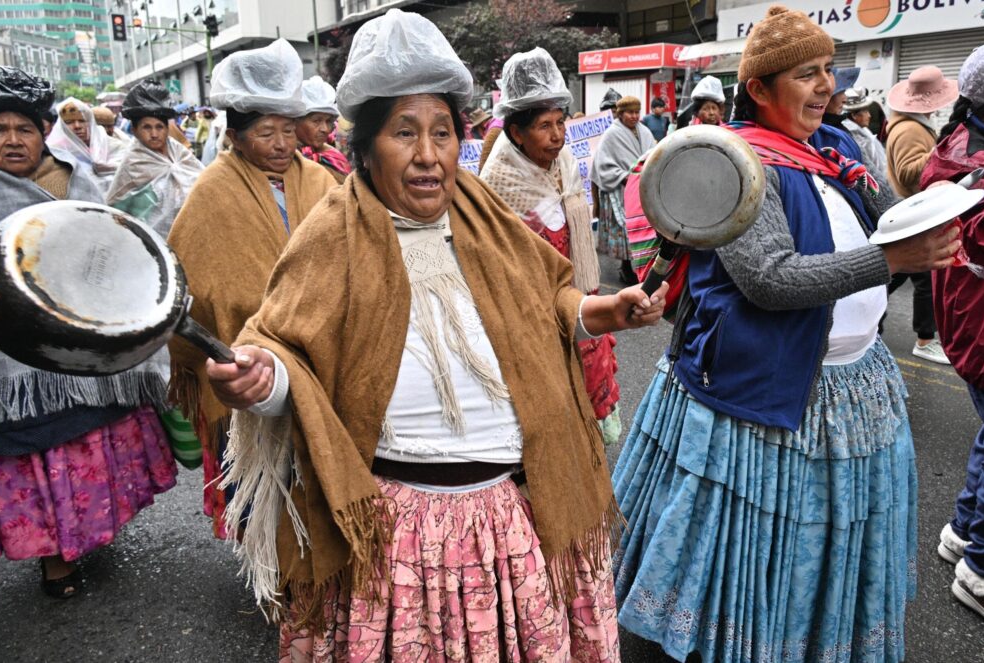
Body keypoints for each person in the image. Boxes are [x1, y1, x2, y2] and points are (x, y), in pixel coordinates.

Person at [207, 12, 669, 661]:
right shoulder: (332, 235)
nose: (428, 154)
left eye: (443, 132)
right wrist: (263, 379)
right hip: (397, 534)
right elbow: (285, 349)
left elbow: (547, 300)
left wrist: (602, 311)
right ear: (364, 148)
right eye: (404, 133)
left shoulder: (484, 218)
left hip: (509, 517)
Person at [612, 6, 959, 661]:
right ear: (759, 89)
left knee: (822, 553)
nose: (827, 84)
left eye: (829, 69)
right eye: (807, 73)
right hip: (761, 401)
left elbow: (889, 225)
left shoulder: (836, 150)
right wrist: (893, 261)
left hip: (847, 392)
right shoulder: (735, 163)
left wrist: (936, 214)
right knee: (746, 561)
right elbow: (769, 278)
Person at [0, 66, 176, 599]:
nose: (13, 140)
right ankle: (54, 557)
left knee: (86, 441)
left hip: (81, 338)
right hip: (9, 360)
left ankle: (88, 531)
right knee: (32, 454)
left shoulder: (71, 177)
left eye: (24, 129)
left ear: (41, 133)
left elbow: (106, 243)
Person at [166, 39, 338, 541]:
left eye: (289, 130)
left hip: (323, 355)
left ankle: (321, 557)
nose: (282, 144)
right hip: (244, 360)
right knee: (265, 482)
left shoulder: (321, 181)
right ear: (236, 135)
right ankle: (274, 566)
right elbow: (198, 286)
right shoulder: (212, 192)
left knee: (322, 475)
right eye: (266, 132)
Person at [480, 46, 623, 445]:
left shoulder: (564, 164)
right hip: (533, 313)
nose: (558, 135)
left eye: (560, 122)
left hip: (577, 296)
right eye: (544, 125)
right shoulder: (500, 181)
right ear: (515, 133)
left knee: (586, 391)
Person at [921, 45, 984, 622]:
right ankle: (981, 568)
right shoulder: (973, 165)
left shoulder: (954, 148)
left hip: (966, 317)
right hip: (980, 320)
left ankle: (965, 532)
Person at [885, 65, 958, 365]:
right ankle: (925, 339)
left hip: (913, 212)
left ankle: (862, 316)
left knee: (895, 274)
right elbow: (908, 172)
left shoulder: (912, 125)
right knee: (922, 278)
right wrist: (942, 152)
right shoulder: (910, 129)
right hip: (913, 213)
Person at [106, 79, 204, 238]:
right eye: (147, 127)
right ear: (135, 131)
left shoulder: (179, 152)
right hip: (155, 239)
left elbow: (202, 182)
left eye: (159, 127)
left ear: (167, 129)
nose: (154, 134)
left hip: (192, 231)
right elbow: (117, 208)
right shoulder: (133, 163)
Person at [592, 94, 655, 285]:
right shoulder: (611, 134)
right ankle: (626, 267)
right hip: (619, 190)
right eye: (630, 112)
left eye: (637, 112)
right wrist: (624, 176)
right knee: (624, 233)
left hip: (641, 189)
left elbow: (653, 153)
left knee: (641, 230)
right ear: (620, 114)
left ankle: (639, 266)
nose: (634, 116)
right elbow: (602, 165)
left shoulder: (644, 131)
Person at [46, 97, 125, 193]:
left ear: (90, 122)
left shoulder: (108, 143)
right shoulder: (56, 150)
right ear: (62, 126)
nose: (77, 126)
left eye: (82, 121)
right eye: (69, 122)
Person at [296, 75, 351, 183]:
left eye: (328, 121)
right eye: (316, 121)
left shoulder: (333, 158)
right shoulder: (282, 160)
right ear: (295, 121)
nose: (325, 129)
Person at [842, 87, 889, 179]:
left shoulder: (863, 131)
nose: (869, 115)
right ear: (854, 115)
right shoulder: (856, 137)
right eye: (865, 111)